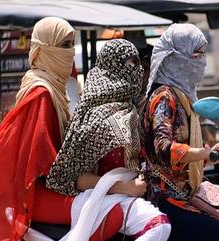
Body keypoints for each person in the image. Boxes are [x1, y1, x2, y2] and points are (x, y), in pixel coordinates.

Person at [0, 17, 121, 241]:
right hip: (38, 194)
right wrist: (106, 183)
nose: (71, 53)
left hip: (53, 187)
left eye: (71, 45)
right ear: (44, 48)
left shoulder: (52, 87)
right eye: (64, 45)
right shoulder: (42, 93)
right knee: (114, 216)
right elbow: (50, 164)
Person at [46, 39, 171, 241]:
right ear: (112, 67)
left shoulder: (132, 109)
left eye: (137, 64)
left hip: (131, 195)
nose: (137, 71)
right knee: (159, 226)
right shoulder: (96, 116)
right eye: (130, 65)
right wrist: (125, 187)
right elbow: (81, 179)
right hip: (103, 198)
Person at [142, 23, 219, 241]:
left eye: (203, 55)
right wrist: (205, 153)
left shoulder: (183, 96)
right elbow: (163, 147)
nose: (202, 62)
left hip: (189, 191)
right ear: (174, 58)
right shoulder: (164, 97)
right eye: (195, 55)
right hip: (168, 197)